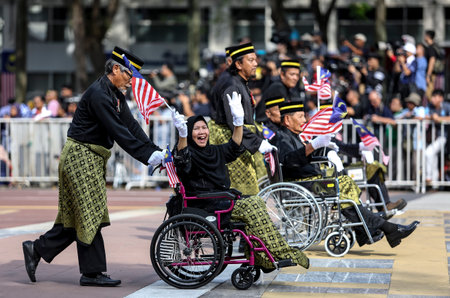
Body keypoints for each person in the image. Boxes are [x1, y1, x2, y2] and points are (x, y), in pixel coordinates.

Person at [22, 46, 166, 287]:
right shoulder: (99, 94)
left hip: (90, 157)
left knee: (80, 215)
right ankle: (91, 272)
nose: (132, 81)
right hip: (81, 156)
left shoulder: (114, 93)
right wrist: (147, 157)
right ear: (116, 69)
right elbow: (118, 131)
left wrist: (154, 151)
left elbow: (131, 127)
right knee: (90, 213)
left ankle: (36, 249)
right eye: (131, 75)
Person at [171, 93, 309, 271]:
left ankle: (264, 258)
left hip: (222, 200)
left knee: (256, 202)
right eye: (196, 129)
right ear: (189, 133)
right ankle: (281, 252)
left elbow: (234, 146)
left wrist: (237, 121)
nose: (202, 132)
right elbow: (182, 158)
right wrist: (182, 135)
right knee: (252, 204)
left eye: (204, 128)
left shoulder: (214, 151)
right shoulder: (188, 154)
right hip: (205, 204)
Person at [274, 101, 419, 248]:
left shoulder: (294, 136)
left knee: (345, 186)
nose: (305, 120)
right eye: (300, 117)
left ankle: (371, 229)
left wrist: (326, 151)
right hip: (301, 185)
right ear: (287, 120)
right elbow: (289, 160)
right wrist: (313, 145)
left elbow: (308, 154)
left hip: (309, 181)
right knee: (342, 186)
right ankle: (383, 228)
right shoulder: (282, 137)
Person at [209, 42, 273, 196]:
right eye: (250, 60)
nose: (256, 64)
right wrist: (258, 143)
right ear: (238, 64)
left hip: (243, 141)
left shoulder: (239, 82)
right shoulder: (231, 85)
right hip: (233, 143)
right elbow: (234, 124)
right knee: (242, 191)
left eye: (255, 60)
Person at [424, 89, 450, 185]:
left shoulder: (447, 106)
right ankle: (434, 182)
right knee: (432, 156)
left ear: (441, 98)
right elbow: (425, 116)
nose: (433, 99)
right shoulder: (430, 107)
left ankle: (429, 177)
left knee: (429, 152)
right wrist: (432, 117)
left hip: (443, 136)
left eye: (435, 97)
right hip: (433, 136)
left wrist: (439, 119)